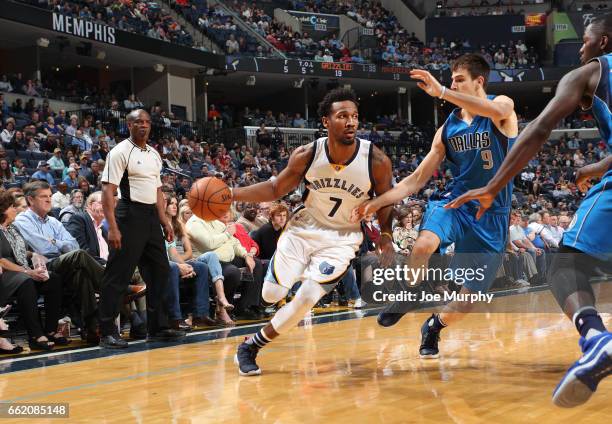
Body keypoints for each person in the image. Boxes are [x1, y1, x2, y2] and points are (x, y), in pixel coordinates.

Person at [446, 14, 612, 408]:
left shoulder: (589, 72)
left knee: (566, 267)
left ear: (603, 43)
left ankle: (595, 339)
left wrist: (492, 185)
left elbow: (537, 129)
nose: (582, 49)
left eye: (586, 42)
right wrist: (599, 165)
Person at [353, 54, 518, 359]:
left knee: (468, 301)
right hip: (456, 203)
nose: (453, 84)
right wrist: (375, 201)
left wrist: (442, 91)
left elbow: (495, 109)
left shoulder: (502, 107)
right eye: (451, 79)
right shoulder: (447, 129)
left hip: (492, 215)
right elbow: (414, 181)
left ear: (479, 81)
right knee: (423, 244)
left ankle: (433, 326)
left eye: (459, 80)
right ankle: (409, 294)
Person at [233, 88, 394, 376]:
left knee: (307, 296)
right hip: (304, 229)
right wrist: (232, 193)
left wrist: (386, 234)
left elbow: (387, 200)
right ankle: (280, 283)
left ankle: (250, 346)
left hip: (343, 238)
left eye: (355, 116)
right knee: (271, 295)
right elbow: (274, 189)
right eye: (342, 116)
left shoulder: (377, 160)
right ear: (325, 122)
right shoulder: (307, 154)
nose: (351, 122)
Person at [98, 109, 184, 349]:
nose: (144, 126)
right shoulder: (119, 152)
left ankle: (157, 328)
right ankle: (107, 332)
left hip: (150, 218)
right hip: (128, 215)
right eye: (138, 122)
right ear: (129, 125)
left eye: (147, 122)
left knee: (160, 272)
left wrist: (164, 220)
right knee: (118, 275)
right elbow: (108, 192)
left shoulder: (155, 154)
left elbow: (157, 190)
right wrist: (113, 227)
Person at [0, 191, 65, 351]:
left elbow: (23, 251)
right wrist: (27, 272)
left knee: (53, 279)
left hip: (21, 271)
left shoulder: (13, 229)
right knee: (26, 282)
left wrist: (35, 255)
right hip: (6, 276)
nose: (16, 210)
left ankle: (50, 329)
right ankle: (35, 335)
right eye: (12, 207)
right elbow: (2, 260)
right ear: (2, 210)